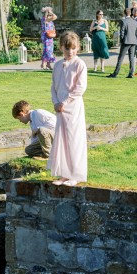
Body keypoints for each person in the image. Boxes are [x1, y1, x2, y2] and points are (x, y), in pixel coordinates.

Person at [48, 31, 87, 187]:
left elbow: (80, 87)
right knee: (61, 140)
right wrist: (56, 102)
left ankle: (75, 174)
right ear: (61, 47)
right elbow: (54, 87)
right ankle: (64, 174)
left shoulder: (79, 64)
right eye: (67, 48)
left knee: (74, 139)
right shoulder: (57, 65)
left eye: (73, 48)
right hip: (60, 109)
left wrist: (65, 101)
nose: (70, 52)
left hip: (73, 107)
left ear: (77, 48)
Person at [107, 8, 137, 78]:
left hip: (126, 42)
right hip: (133, 41)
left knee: (121, 58)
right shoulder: (134, 22)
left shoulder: (123, 21)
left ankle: (115, 73)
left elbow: (122, 33)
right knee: (132, 58)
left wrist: (122, 41)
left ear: (124, 13)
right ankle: (131, 74)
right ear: (130, 13)